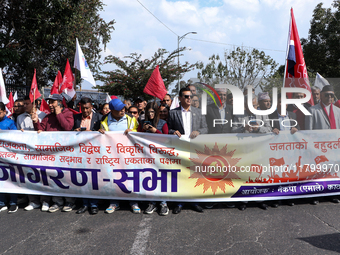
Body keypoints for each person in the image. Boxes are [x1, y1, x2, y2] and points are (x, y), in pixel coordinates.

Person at [32, 94, 75, 213]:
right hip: (50, 155)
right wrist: (36, 122)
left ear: (60, 103)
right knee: (54, 178)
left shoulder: (68, 114)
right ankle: (57, 201)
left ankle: (69, 201)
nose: (50, 104)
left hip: (64, 154)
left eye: (52, 102)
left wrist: (59, 114)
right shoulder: (47, 117)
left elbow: (67, 127)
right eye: (49, 102)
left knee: (66, 178)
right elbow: (41, 130)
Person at [168, 87, 208, 213]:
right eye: (186, 96)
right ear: (180, 98)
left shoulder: (199, 112)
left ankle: (194, 202)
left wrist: (199, 131)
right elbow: (167, 129)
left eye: (190, 96)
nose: (189, 98)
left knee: (195, 175)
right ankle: (179, 202)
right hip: (180, 149)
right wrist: (173, 131)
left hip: (195, 148)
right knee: (181, 175)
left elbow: (206, 128)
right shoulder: (173, 113)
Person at [99, 98, 141, 214]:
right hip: (112, 154)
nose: (123, 110)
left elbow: (138, 132)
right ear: (112, 110)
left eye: (123, 108)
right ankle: (114, 202)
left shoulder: (130, 119)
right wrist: (100, 133)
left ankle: (133, 202)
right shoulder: (104, 119)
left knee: (131, 177)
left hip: (129, 154)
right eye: (119, 109)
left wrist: (132, 131)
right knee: (114, 177)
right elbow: (102, 135)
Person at [231, 95, 271, 210]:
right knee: (245, 174)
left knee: (259, 173)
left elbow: (269, 129)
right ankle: (244, 200)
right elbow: (232, 130)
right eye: (249, 105)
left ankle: (261, 199)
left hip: (260, 149)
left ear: (257, 104)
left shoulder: (263, 114)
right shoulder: (239, 115)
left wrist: (259, 129)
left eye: (254, 105)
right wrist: (243, 128)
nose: (252, 107)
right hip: (245, 150)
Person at [305, 85, 340, 204]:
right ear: (321, 95)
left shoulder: (338, 111)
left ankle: (331, 194)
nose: (329, 97)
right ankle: (315, 195)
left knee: (331, 172)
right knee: (317, 172)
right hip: (317, 149)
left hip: (334, 148)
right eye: (327, 94)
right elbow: (308, 132)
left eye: (331, 95)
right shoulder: (312, 110)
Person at [17, 96, 49, 211]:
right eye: (23, 104)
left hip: (41, 152)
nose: (24, 106)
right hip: (27, 152)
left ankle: (45, 200)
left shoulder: (43, 116)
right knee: (29, 175)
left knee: (43, 176)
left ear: (35, 103)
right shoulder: (20, 118)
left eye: (27, 103)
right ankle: (33, 201)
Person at [137, 102, 170, 215]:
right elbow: (135, 138)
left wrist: (156, 131)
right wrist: (142, 130)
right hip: (147, 156)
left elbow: (167, 139)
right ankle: (152, 203)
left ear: (156, 112)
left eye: (152, 112)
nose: (150, 114)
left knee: (161, 179)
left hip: (160, 156)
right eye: (148, 112)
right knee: (150, 179)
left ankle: (163, 203)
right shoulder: (142, 123)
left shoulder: (163, 123)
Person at [73, 97, 102, 215]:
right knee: (82, 178)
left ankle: (94, 204)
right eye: (83, 108)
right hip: (80, 153)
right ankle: (85, 204)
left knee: (93, 179)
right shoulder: (76, 118)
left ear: (92, 107)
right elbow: (69, 132)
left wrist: (99, 131)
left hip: (94, 153)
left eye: (87, 108)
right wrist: (75, 131)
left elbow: (104, 132)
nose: (85, 110)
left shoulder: (99, 118)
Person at [0, 102, 18, 213]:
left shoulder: (10, 123)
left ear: (4, 112)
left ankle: (13, 202)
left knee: (11, 179)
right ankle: (1, 202)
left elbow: (16, 138)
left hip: (8, 157)